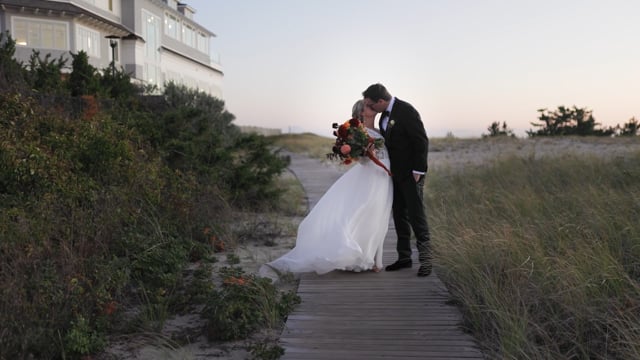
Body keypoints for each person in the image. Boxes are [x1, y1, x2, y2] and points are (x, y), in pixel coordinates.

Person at [259, 100, 393, 278]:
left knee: (379, 216)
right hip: (370, 177)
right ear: (362, 112)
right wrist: (367, 155)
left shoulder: (379, 129)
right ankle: (355, 255)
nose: (373, 107)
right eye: (369, 106)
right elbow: (360, 159)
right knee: (362, 213)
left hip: (384, 177)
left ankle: (376, 260)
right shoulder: (357, 132)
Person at [362, 83, 433, 277]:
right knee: (399, 215)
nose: (369, 108)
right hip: (394, 174)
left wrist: (419, 169)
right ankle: (404, 258)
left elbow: (421, 140)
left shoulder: (406, 111)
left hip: (412, 174)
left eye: (371, 104)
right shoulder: (384, 115)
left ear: (381, 101)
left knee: (417, 216)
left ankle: (426, 262)